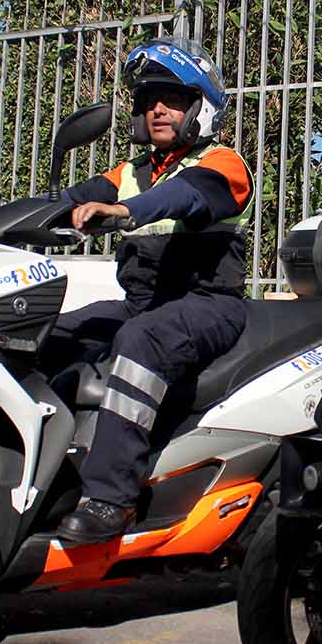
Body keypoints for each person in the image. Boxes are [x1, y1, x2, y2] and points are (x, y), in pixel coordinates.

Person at [52, 37, 253, 545]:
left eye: (171, 99)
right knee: (55, 331)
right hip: (142, 303)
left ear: (199, 108)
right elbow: (68, 202)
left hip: (208, 304)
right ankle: (48, 474)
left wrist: (122, 212)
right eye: (148, 101)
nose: (157, 109)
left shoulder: (223, 163)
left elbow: (186, 196)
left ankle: (111, 500)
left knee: (140, 340)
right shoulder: (129, 173)